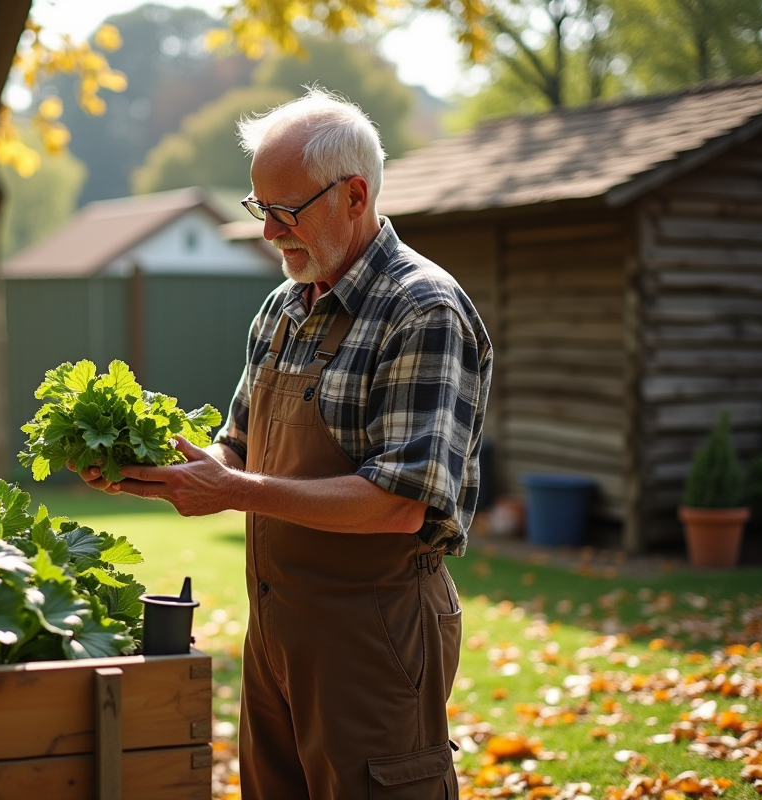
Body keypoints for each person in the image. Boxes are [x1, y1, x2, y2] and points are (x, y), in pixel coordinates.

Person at [73, 87, 493, 799]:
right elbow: (239, 447)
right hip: (274, 628)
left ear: (355, 195)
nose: (268, 231)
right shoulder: (282, 307)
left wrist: (234, 490)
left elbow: (401, 503)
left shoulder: (422, 309)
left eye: (285, 210)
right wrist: (165, 472)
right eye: (258, 207)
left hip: (374, 633)